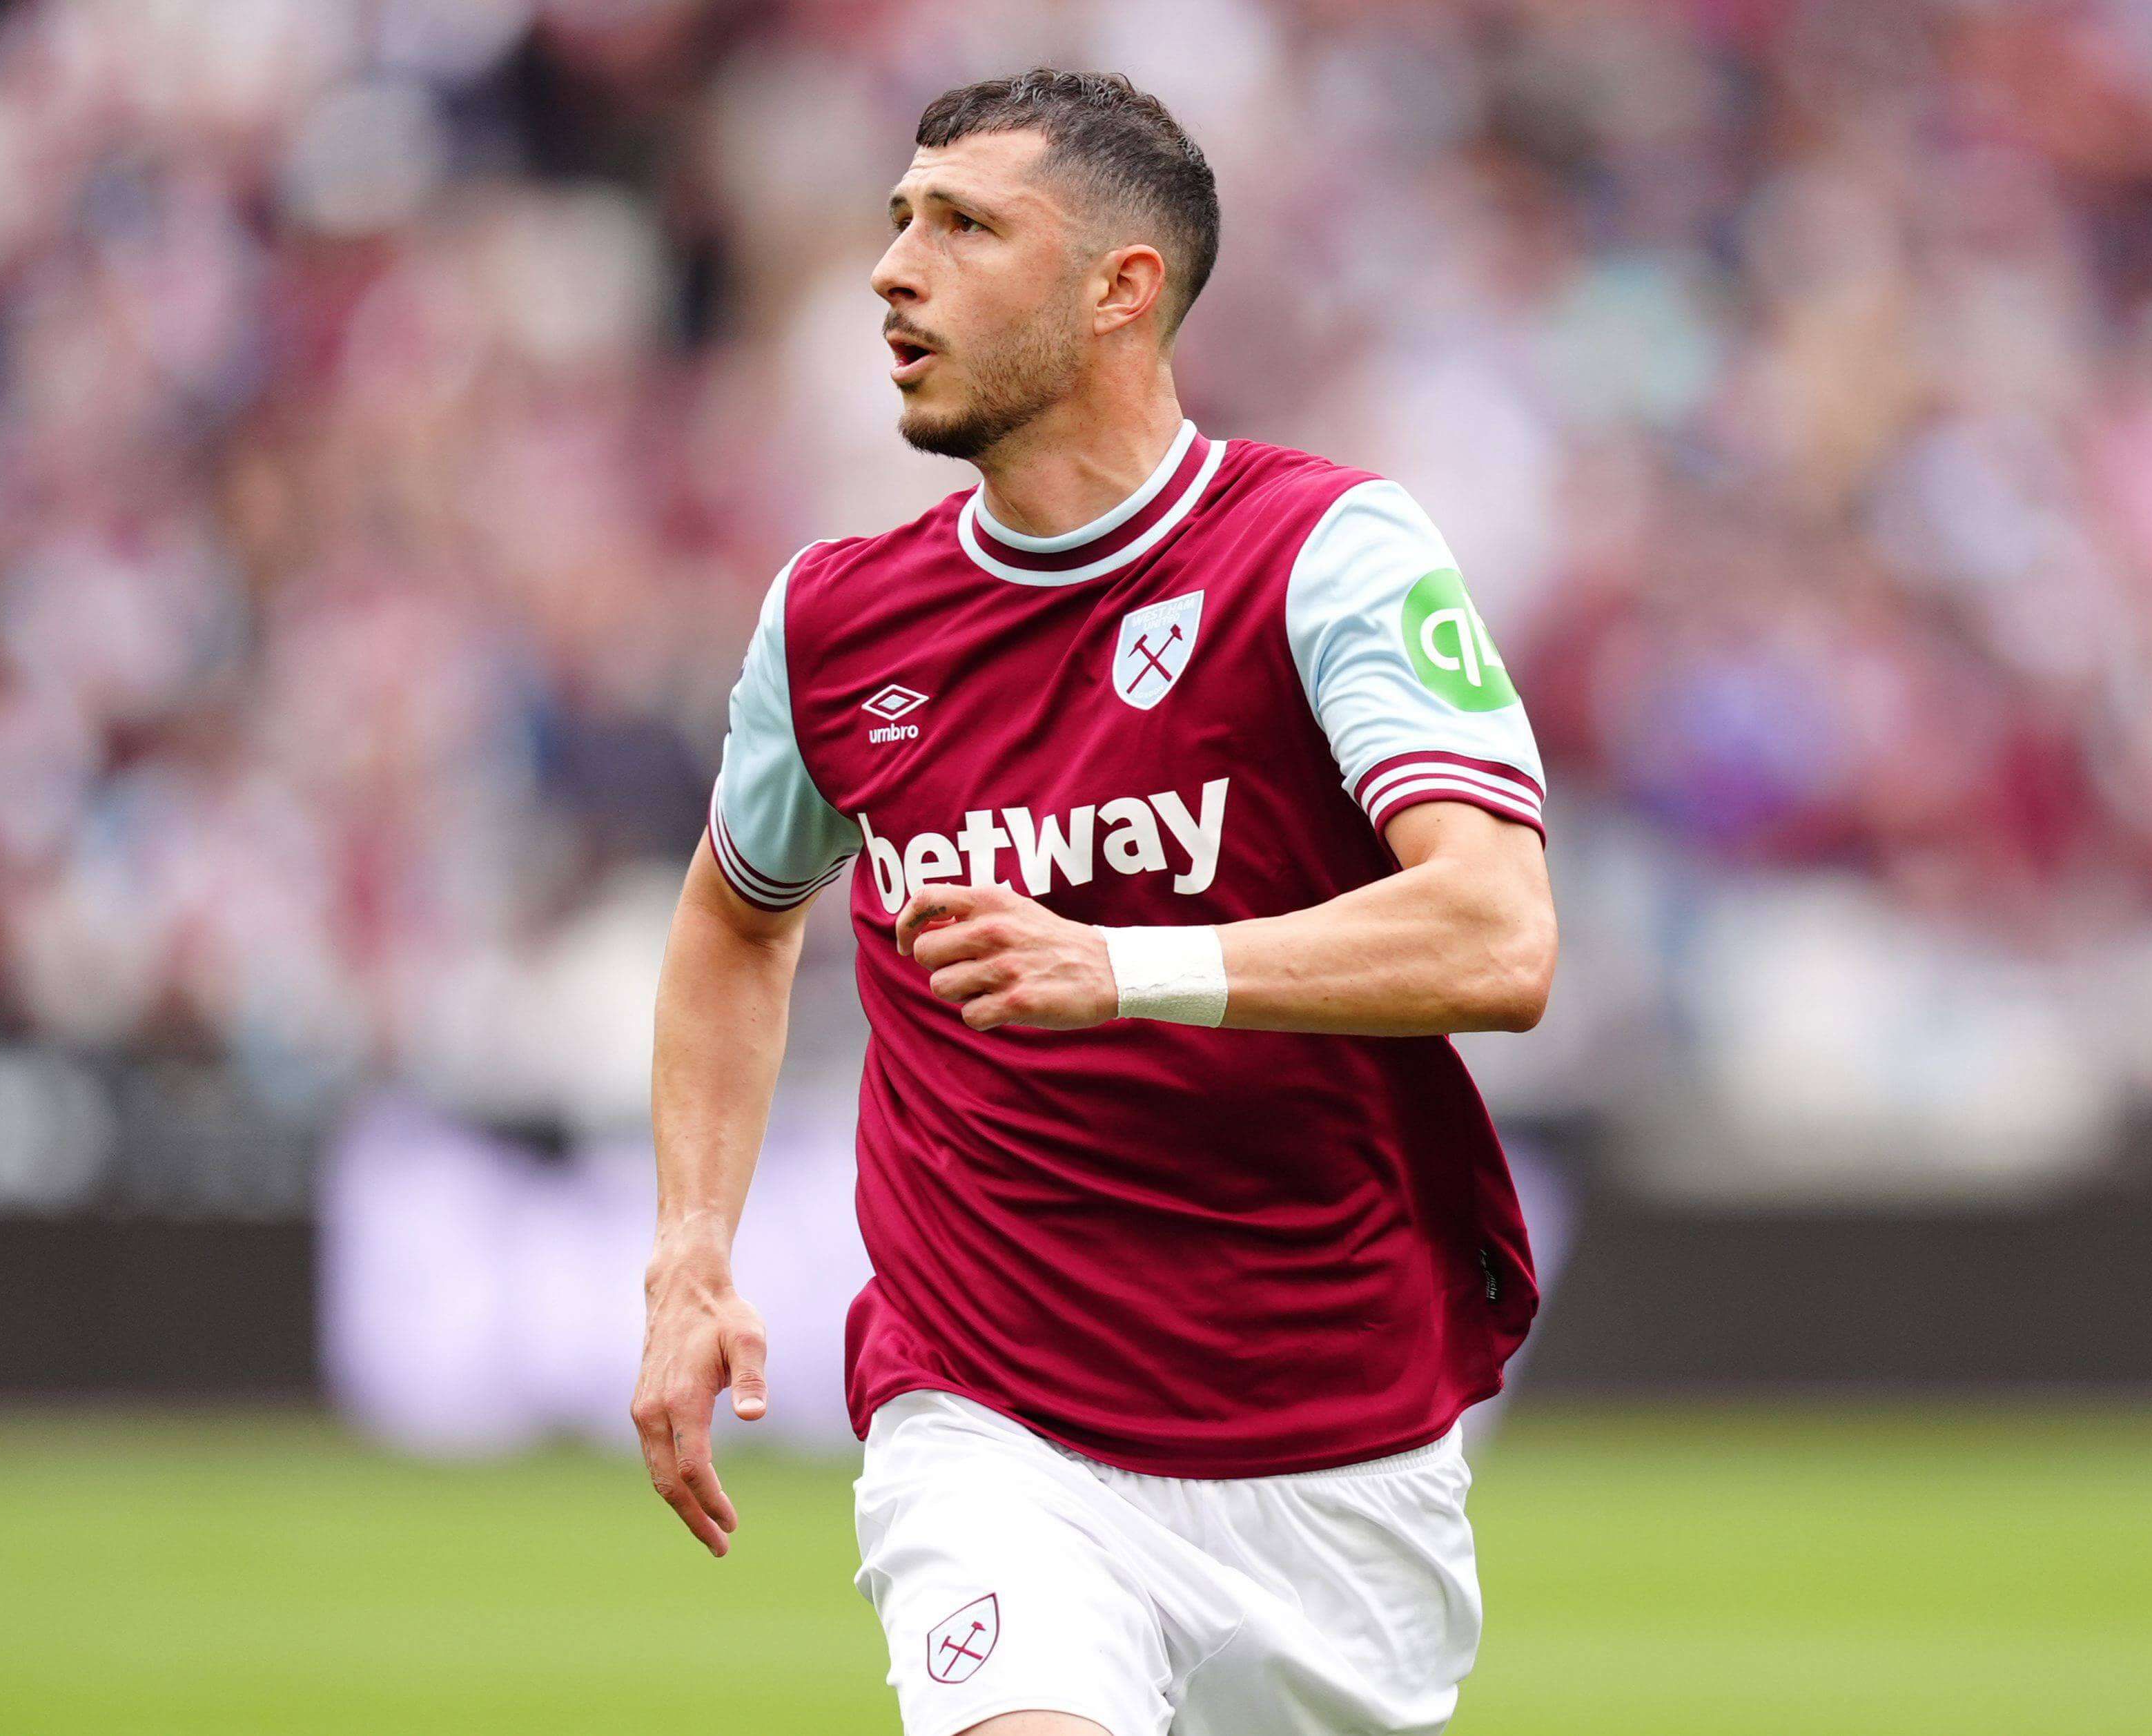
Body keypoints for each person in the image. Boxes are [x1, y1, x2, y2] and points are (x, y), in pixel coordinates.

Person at [634, 69, 1558, 1736]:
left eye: (966, 226)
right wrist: (688, 1252)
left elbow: (1497, 934)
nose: (891, 268)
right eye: (900, 217)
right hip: (990, 1418)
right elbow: (733, 919)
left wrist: (1126, 965)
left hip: (1329, 1437)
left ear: (1121, 289)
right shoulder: (836, 624)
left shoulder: (1325, 553)